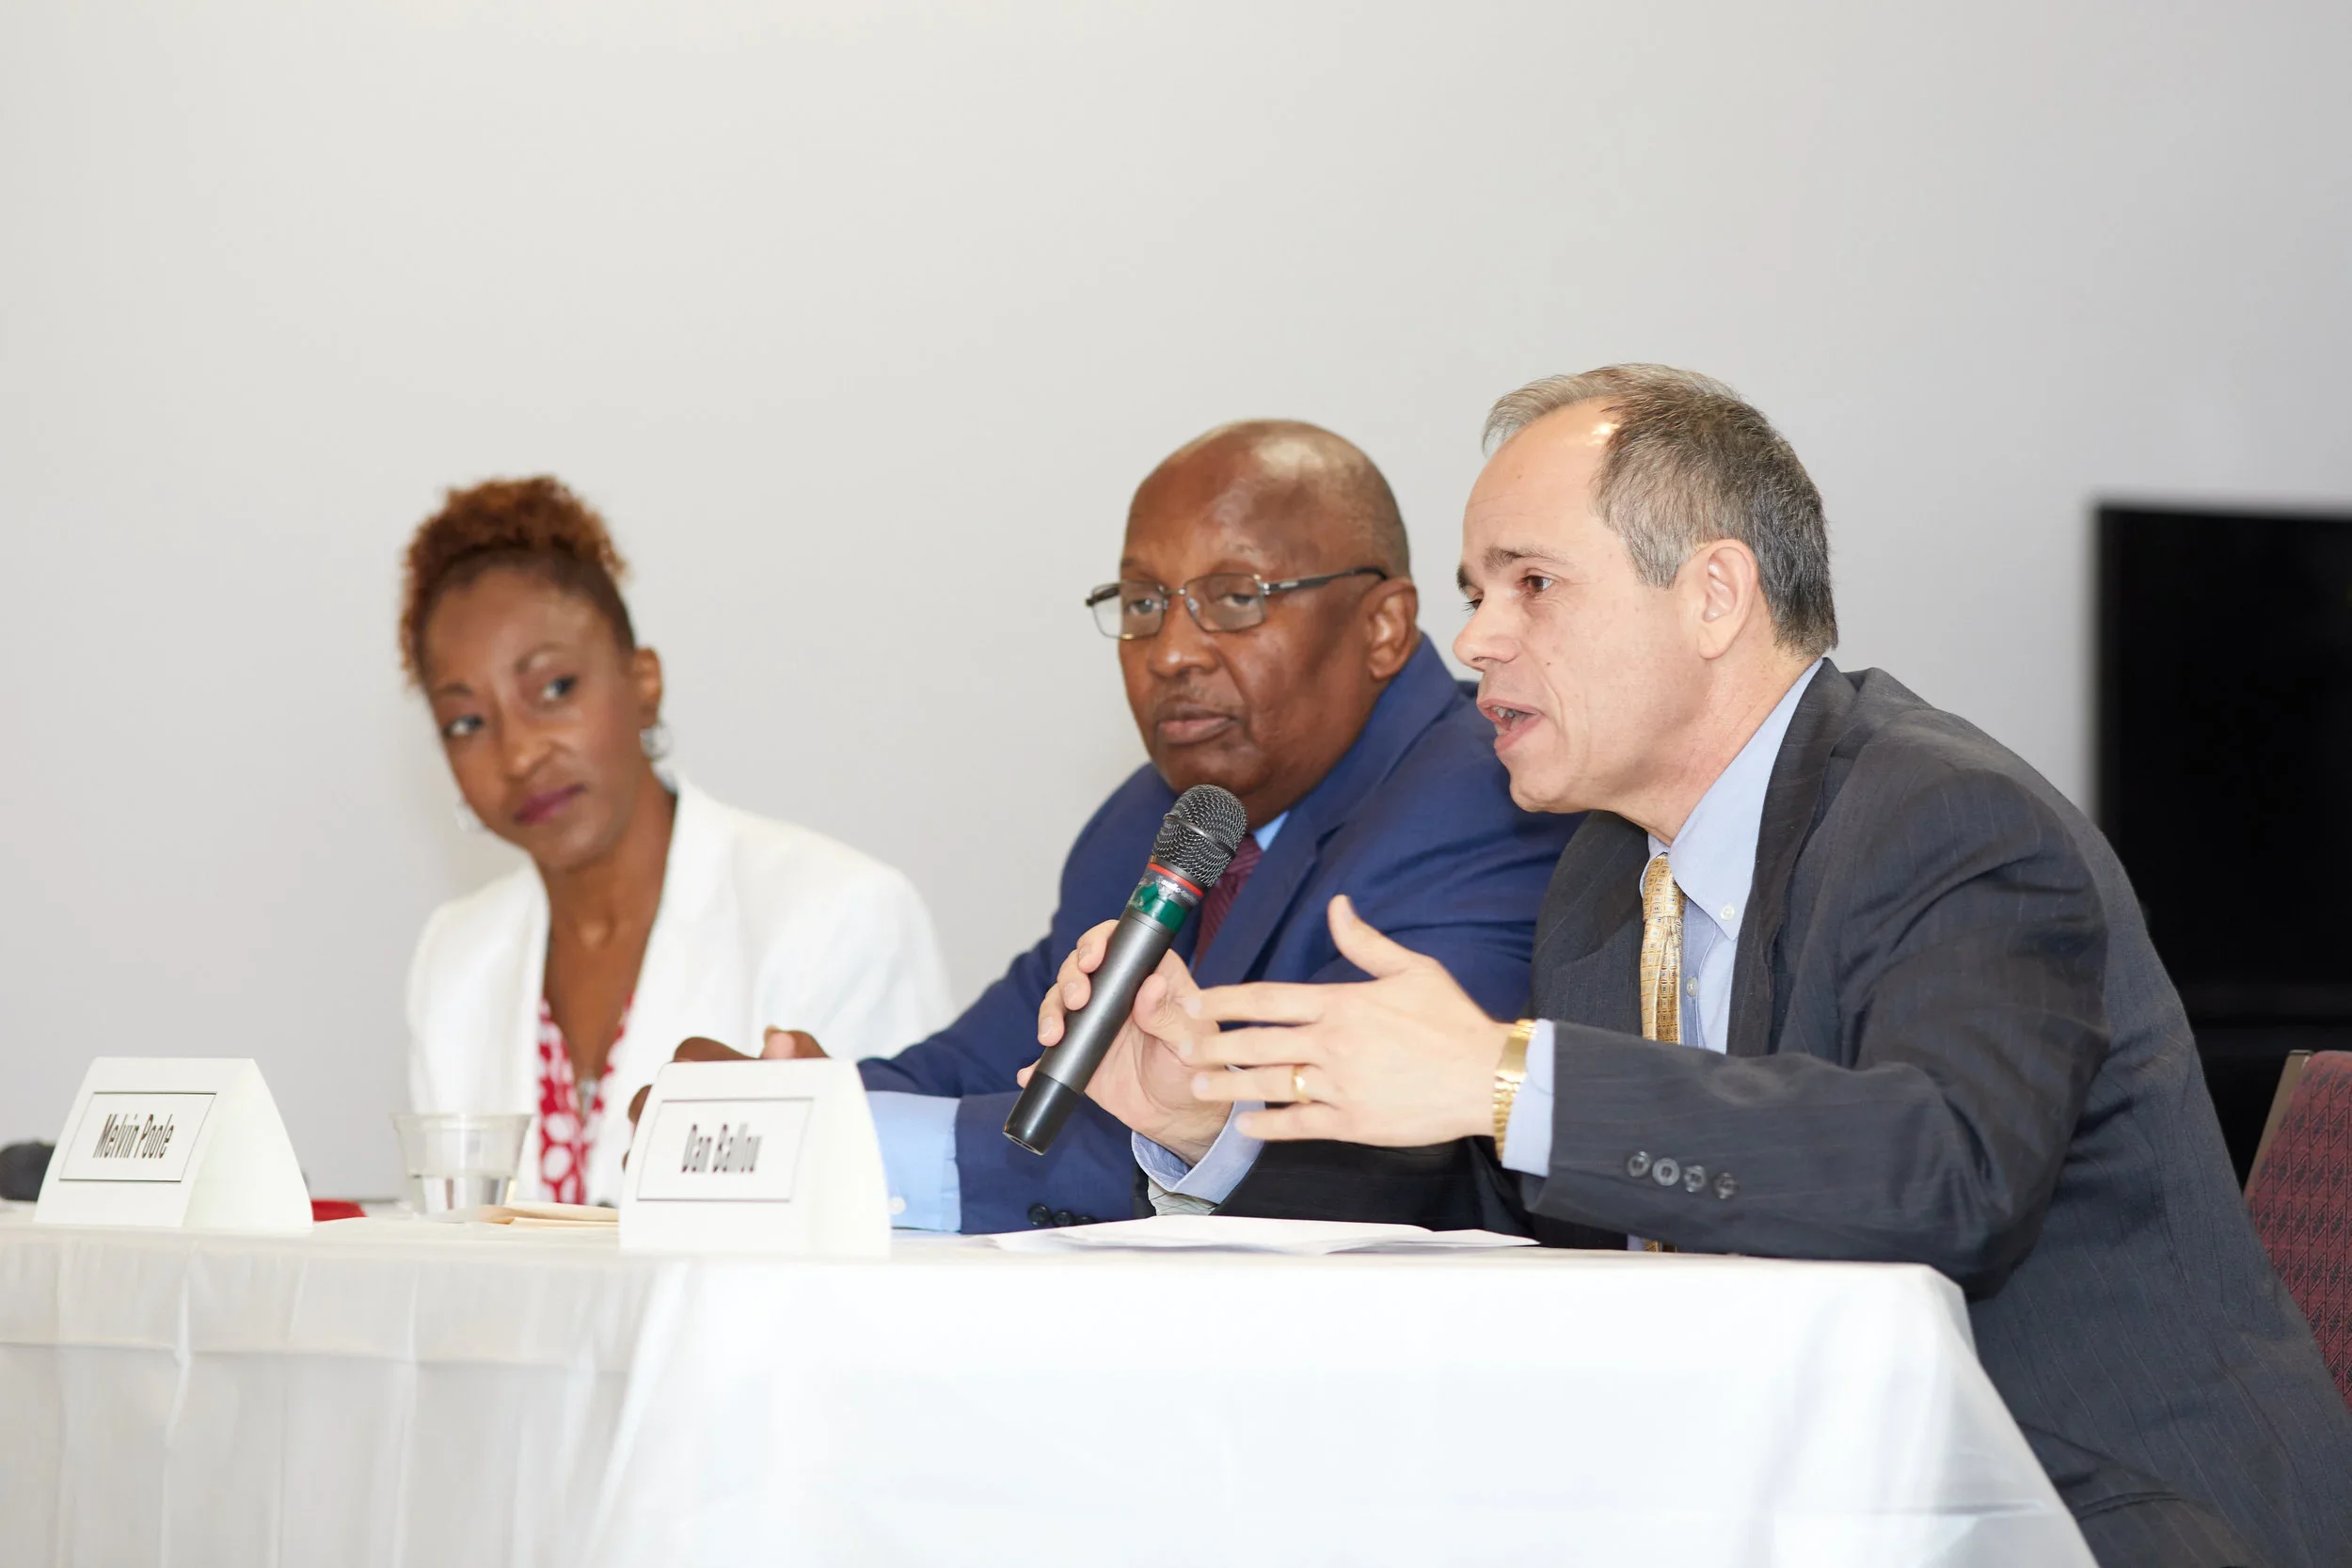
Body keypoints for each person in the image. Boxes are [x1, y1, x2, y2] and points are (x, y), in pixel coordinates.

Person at [1050, 369, 2352, 1567]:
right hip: (1773, 1505)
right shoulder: (1606, 871)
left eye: (1531, 584)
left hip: (2095, 1511)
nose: (1476, 642)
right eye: (1473, 590)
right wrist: (1211, 1122)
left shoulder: (1949, 818)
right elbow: (1521, 1210)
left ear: (1715, 594)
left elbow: (1946, 1168)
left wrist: (1506, 1073)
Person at [667, 420, 1579, 1233]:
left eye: (1234, 597)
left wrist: (834, 1148)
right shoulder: (1157, 816)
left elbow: (1310, 1149)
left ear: (1382, 628)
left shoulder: (1485, 801)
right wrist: (779, 1109)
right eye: (1142, 604)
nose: (1172, 651)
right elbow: (991, 1057)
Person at [402, 477, 951, 1207]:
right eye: (466, 722)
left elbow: (900, 1227)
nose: (518, 753)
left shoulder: (839, 913)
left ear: (644, 680)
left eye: (555, 688)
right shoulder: (456, 956)